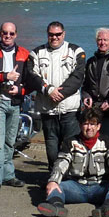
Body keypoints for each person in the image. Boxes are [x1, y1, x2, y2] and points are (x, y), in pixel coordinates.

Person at [37, 107, 109, 217]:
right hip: (76, 187)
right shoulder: (70, 142)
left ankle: (108, 208)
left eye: (93, 124)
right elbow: (61, 163)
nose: (89, 128)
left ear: (98, 126)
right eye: (85, 124)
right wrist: (53, 181)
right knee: (56, 187)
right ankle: (56, 207)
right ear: (80, 125)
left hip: (100, 186)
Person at [0, 21, 32, 193]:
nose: (7, 36)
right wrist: (4, 76)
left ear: (16, 35)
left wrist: (21, 90)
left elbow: (31, 80)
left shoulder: (24, 54)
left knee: (10, 141)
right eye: (4, 33)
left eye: (11, 33)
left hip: (15, 103)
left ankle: (8, 175)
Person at [31, 21, 86, 169]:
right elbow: (31, 75)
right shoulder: (36, 53)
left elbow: (78, 77)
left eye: (58, 34)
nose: (54, 37)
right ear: (47, 35)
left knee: (72, 145)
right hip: (47, 109)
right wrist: (48, 90)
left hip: (69, 109)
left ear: (64, 34)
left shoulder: (76, 51)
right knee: (51, 145)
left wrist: (59, 93)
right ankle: (53, 177)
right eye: (51, 35)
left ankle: (72, 178)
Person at [82, 27, 109, 144]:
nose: (102, 43)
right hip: (94, 110)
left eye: (105, 40)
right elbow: (85, 86)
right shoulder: (91, 61)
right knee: (95, 143)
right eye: (100, 40)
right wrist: (85, 97)